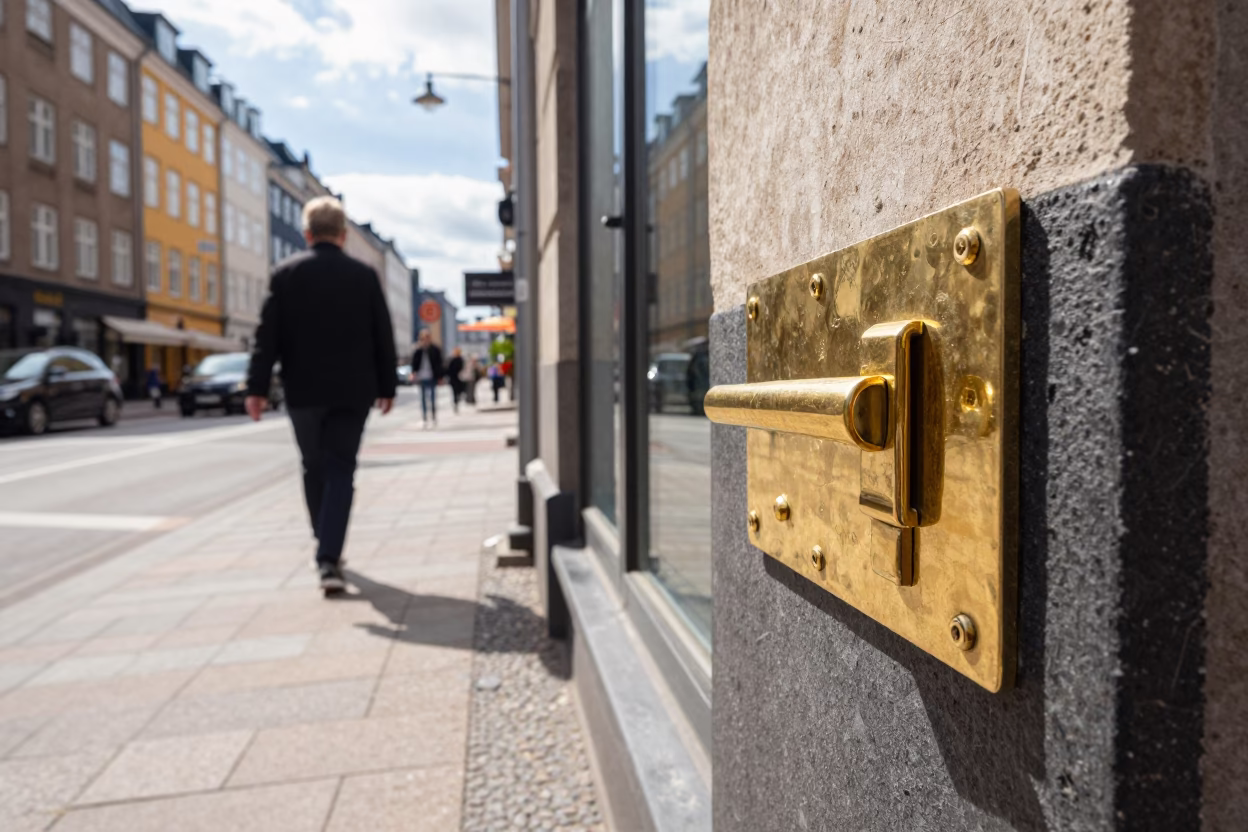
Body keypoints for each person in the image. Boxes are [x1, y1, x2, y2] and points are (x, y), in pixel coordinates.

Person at [245, 196, 397, 595]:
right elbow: (383, 335)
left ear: (307, 233)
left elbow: (267, 338)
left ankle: (325, 545)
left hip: (304, 391)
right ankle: (329, 554)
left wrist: (256, 389)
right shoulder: (363, 276)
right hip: (353, 391)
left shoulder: (285, 274)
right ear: (344, 236)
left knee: (313, 465)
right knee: (342, 468)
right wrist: (387, 387)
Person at [410, 328, 443, 428]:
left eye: (427, 337)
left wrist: (440, 377)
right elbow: (414, 363)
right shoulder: (418, 350)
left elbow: (439, 364)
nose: (425, 339)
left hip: (432, 376)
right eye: (423, 338)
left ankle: (433, 416)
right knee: (423, 398)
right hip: (421, 376)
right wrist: (413, 374)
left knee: (432, 398)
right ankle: (424, 418)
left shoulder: (434, 349)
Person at [446, 348, 466, 413]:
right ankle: (455, 403)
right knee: (454, 392)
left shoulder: (461, 359)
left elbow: (463, 368)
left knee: (459, 391)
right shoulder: (452, 359)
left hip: (459, 378)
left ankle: (457, 400)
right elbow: (448, 369)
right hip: (453, 379)